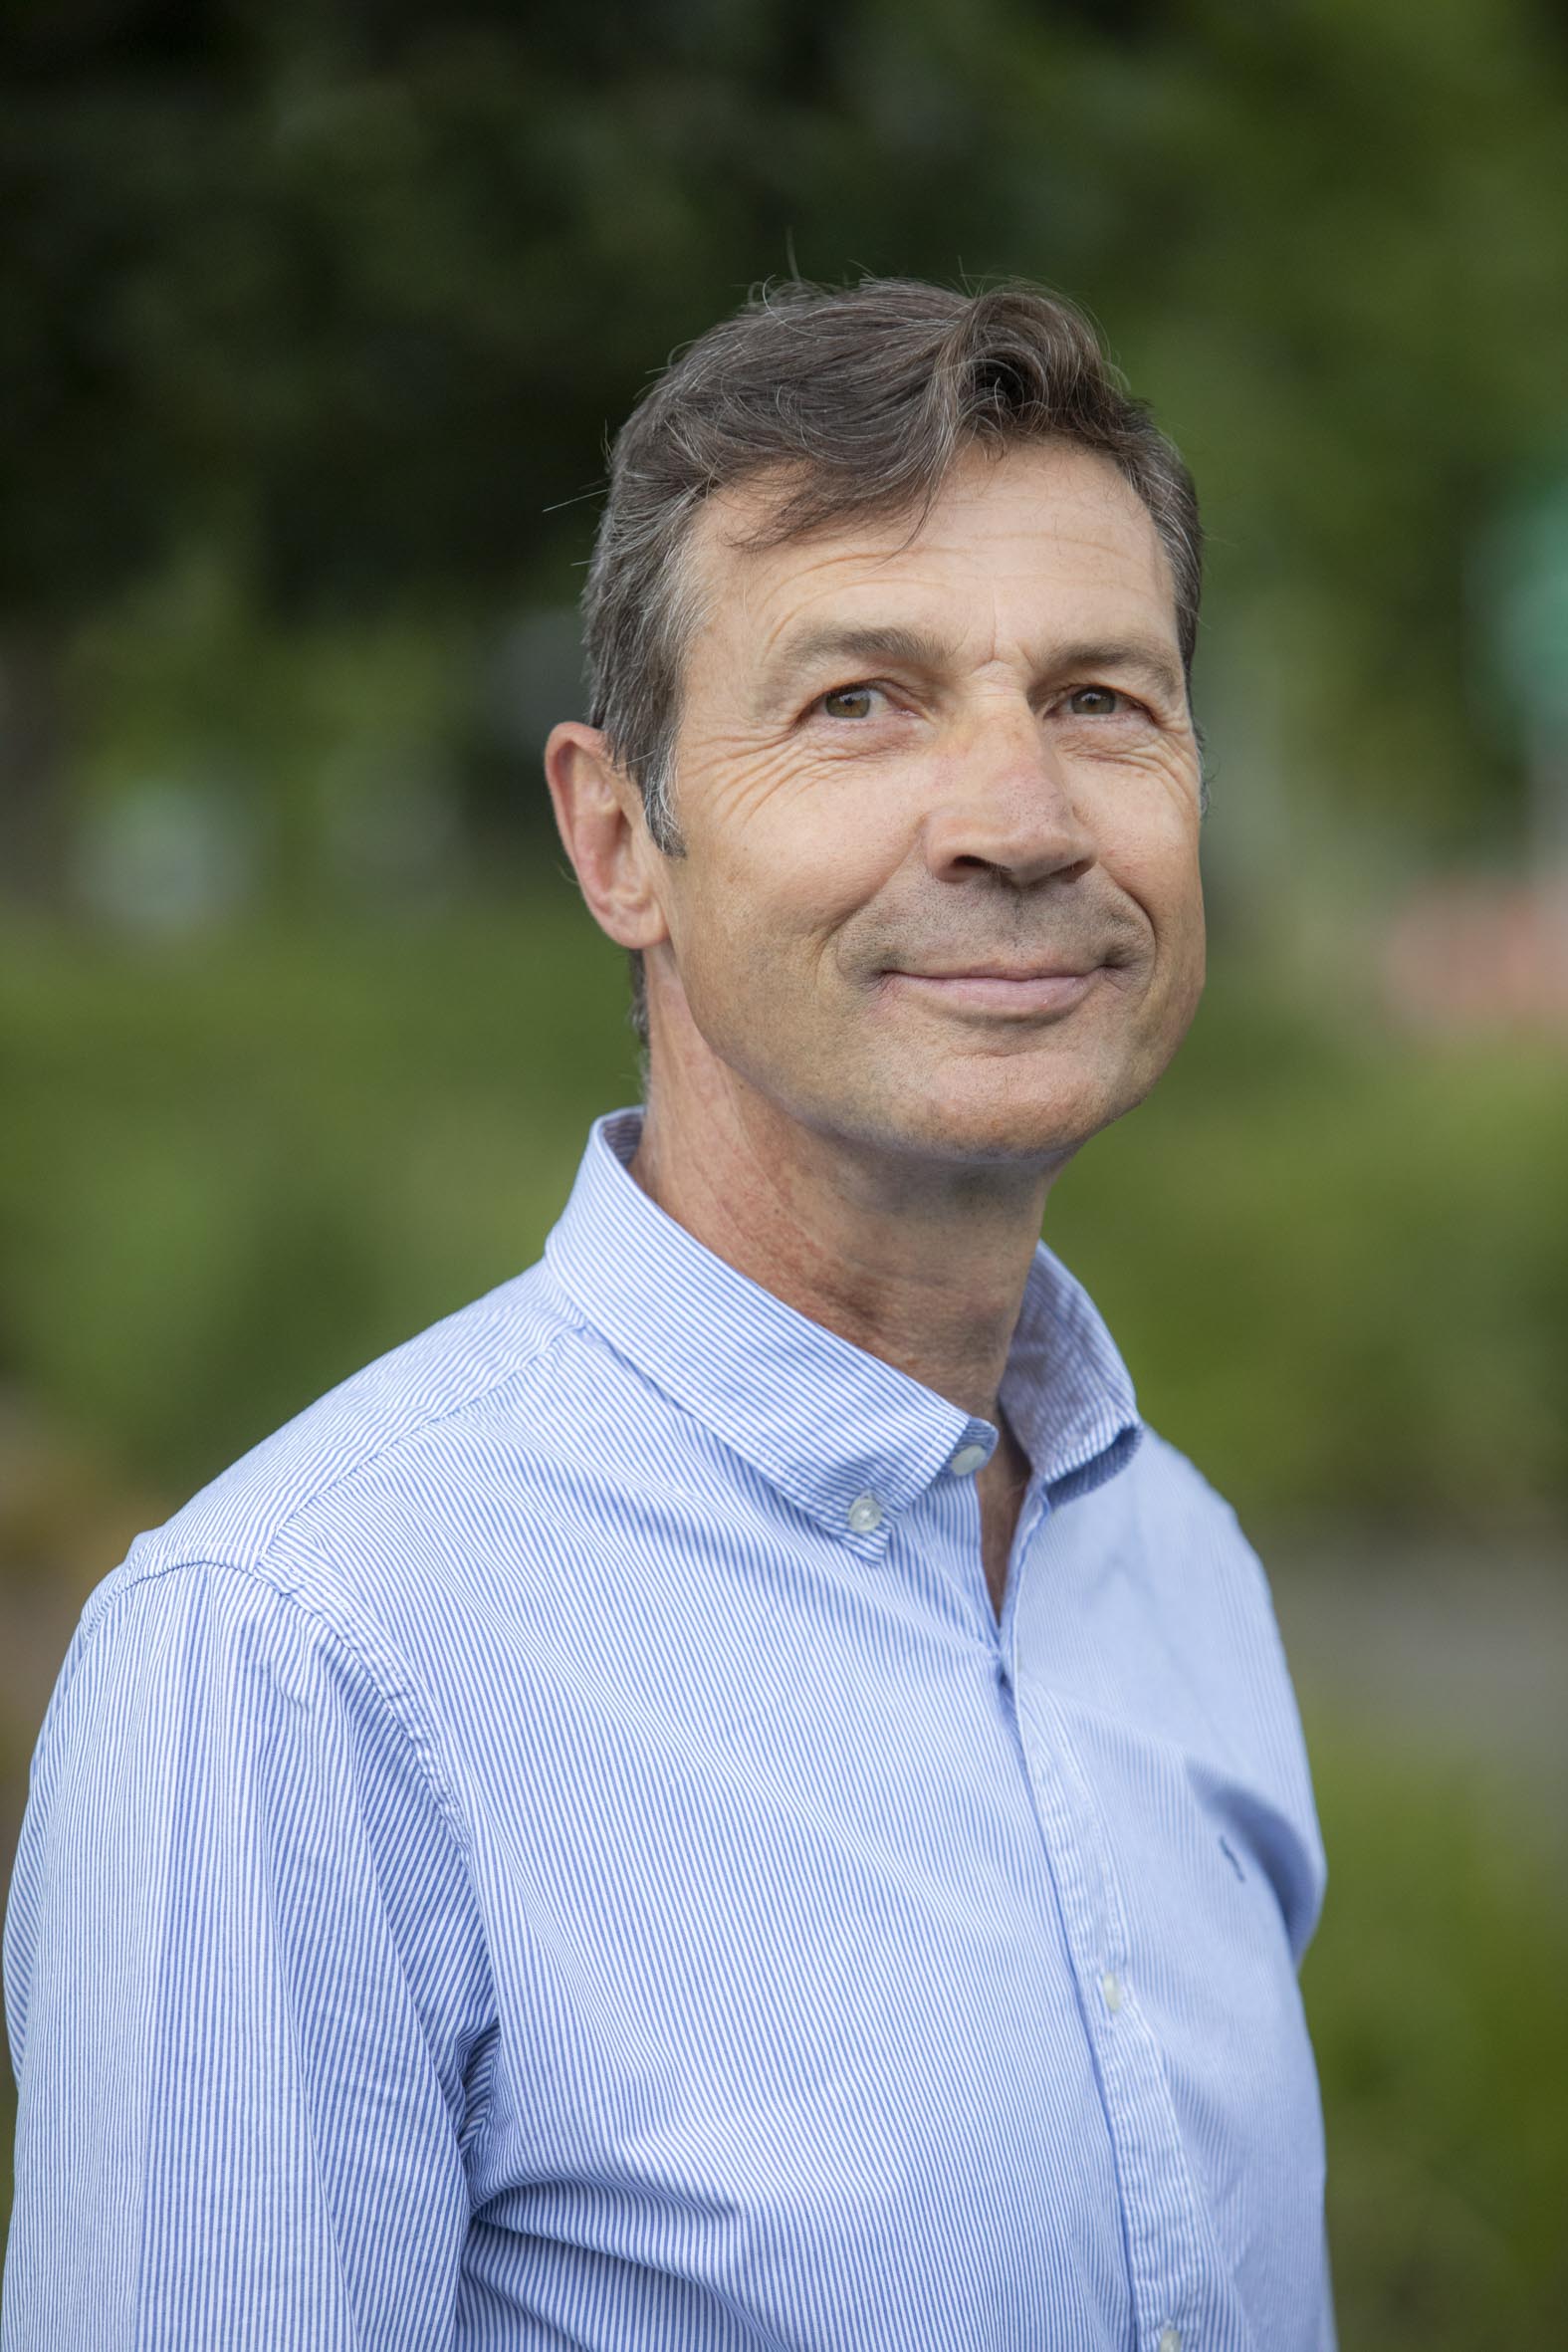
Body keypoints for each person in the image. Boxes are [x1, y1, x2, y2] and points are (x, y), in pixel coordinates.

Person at [2, 279, 1334, 2350]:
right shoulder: (292, 1664)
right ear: (617, 835)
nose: (1013, 815)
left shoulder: (1176, 1566)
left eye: (1097, 698)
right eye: (855, 702)